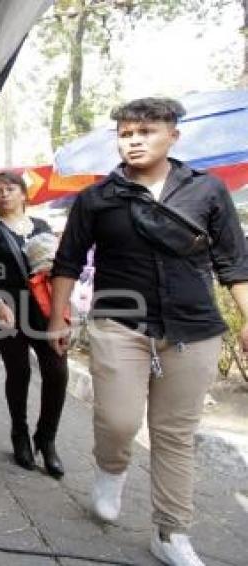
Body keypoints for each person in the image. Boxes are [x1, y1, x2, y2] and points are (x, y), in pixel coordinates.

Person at [48, 97, 248, 566]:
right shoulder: (98, 197)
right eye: (125, 133)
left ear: (173, 136)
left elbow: (234, 264)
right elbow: (68, 261)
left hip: (194, 328)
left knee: (175, 434)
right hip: (119, 322)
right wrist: (58, 315)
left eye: (145, 132)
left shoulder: (208, 192)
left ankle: (170, 532)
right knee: (118, 421)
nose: (134, 141)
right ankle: (110, 467)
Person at [0, 172, 68, 478]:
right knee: (19, 372)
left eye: (10, 189)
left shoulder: (41, 227)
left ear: (24, 194)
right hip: (7, 309)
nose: (3, 195)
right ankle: (20, 432)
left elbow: (56, 266)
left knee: (57, 371)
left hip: (43, 308)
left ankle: (47, 438)